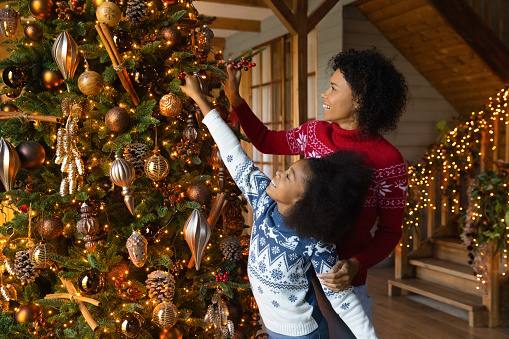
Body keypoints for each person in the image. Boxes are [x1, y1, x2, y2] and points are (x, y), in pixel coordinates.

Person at [225, 48, 409, 337]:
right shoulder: (314, 133)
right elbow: (264, 140)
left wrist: (355, 264)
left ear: (360, 99)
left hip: (339, 281)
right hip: (294, 275)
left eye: (333, 88)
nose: (324, 95)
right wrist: (235, 99)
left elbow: (390, 232)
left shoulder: (389, 162)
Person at [181, 74, 377, 339]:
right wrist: (200, 99)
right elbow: (232, 151)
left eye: (288, 176)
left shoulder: (315, 242)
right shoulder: (263, 201)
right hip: (271, 328)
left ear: (304, 200)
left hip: (304, 334)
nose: (278, 174)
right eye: (286, 170)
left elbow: (345, 303)